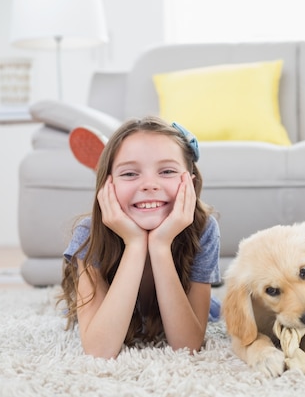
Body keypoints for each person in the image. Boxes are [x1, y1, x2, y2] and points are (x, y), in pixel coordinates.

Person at [58, 116, 222, 359]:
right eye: (130, 173)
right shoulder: (90, 232)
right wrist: (134, 244)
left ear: (190, 182)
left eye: (167, 171)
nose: (149, 184)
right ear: (107, 186)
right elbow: (99, 350)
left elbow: (187, 346)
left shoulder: (203, 229)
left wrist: (160, 245)